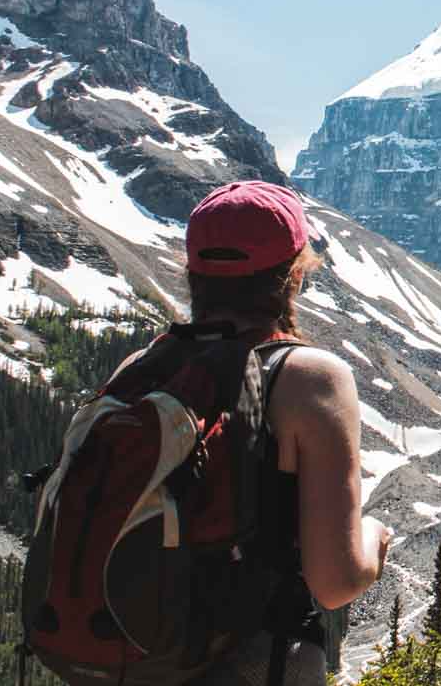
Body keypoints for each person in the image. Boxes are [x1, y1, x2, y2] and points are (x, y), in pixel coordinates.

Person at [148, 179, 391, 685]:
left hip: (130, 657)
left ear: (194, 273)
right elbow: (335, 582)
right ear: (294, 276)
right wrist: (373, 539)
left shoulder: (145, 366)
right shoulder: (309, 378)